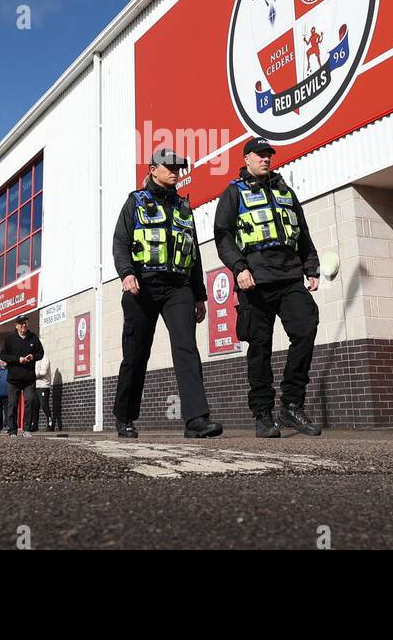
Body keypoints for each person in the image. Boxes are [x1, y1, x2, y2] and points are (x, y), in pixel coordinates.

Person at [214, 137, 322, 438]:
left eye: (268, 154)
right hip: (255, 281)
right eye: (260, 154)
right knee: (260, 347)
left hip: (289, 277)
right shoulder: (233, 193)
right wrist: (239, 267)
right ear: (246, 158)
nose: (266, 159)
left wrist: (310, 266)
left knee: (306, 328)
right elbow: (222, 235)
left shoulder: (285, 191)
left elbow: (301, 231)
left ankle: (291, 405)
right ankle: (263, 414)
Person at [111, 149, 222, 439]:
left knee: (186, 348)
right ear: (152, 168)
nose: (175, 171)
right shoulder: (134, 202)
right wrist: (127, 273)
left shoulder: (184, 207)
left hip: (178, 287)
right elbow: (120, 242)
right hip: (142, 285)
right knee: (136, 354)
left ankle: (196, 420)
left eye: (178, 167)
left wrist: (200, 295)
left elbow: (193, 253)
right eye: (169, 166)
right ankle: (125, 417)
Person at [0, 316, 43, 437]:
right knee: (13, 404)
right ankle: (12, 430)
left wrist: (32, 356)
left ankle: (27, 429)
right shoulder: (9, 338)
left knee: (29, 402)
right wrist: (18, 359)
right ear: (16, 325)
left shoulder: (33, 337)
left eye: (26, 323)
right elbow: (3, 355)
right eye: (21, 324)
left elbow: (41, 353)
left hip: (29, 378)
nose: (24, 326)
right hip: (14, 379)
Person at [30, 352, 52, 432]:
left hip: (43, 386)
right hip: (35, 386)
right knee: (35, 407)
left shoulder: (44, 358)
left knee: (44, 405)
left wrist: (33, 376)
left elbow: (43, 372)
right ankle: (35, 425)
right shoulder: (34, 360)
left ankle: (50, 424)